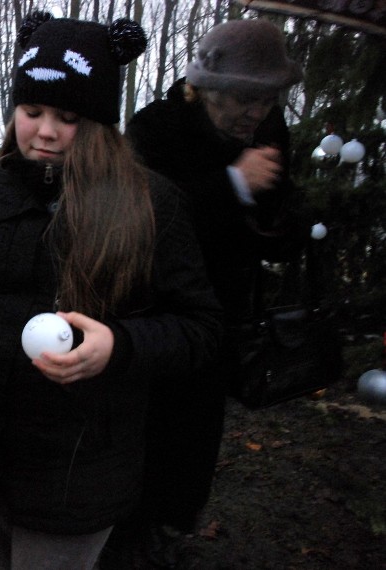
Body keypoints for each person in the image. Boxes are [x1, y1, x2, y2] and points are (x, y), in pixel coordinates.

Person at [0, 12, 223, 570]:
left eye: (67, 117)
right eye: (31, 111)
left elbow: (201, 330)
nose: (44, 131)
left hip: (85, 463)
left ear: (96, 122)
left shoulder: (151, 204)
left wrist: (118, 346)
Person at [120, 18, 309, 567]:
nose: (256, 112)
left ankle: (167, 527)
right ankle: (123, 528)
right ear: (204, 87)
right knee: (146, 425)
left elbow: (282, 215)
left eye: (268, 98)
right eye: (243, 99)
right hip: (155, 308)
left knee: (196, 434)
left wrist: (278, 221)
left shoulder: (270, 131)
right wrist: (232, 185)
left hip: (225, 308)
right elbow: (143, 221)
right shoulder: (155, 128)